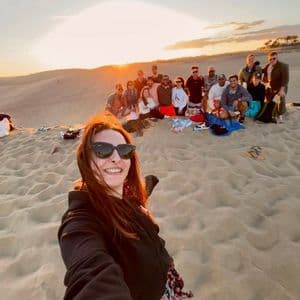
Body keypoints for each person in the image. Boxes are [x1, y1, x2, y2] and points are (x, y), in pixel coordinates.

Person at [57, 112, 173, 299]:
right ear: (86, 159)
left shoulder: (128, 196)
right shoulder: (81, 222)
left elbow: (140, 190)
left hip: (167, 283)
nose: (116, 157)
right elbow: (90, 272)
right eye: (102, 149)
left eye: (124, 150)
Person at [262, 51, 289, 121]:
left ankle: (281, 114)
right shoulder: (268, 66)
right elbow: (262, 71)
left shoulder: (283, 66)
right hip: (271, 87)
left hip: (281, 86)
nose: (272, 60)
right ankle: (274, 111)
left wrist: (282, 89)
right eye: (270, 59)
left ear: (277, 58)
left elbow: (285, 79)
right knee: (269, 102)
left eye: (274, 58)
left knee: (281, 98)